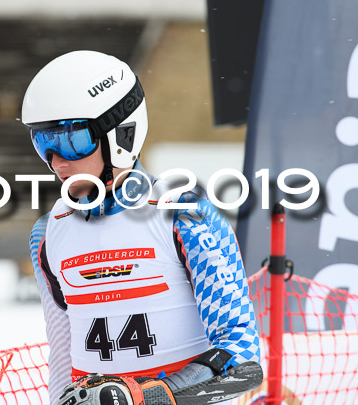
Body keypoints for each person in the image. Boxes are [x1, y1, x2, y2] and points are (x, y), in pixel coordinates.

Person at [22, 51, 261, 405]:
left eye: (71, 141)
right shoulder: (48, 234)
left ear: (121, 133)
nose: (56, 161)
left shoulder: (183, 217)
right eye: (43, 142)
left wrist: (144, 398)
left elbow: (242, 359)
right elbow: (62, 360)